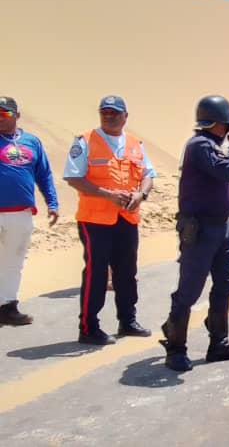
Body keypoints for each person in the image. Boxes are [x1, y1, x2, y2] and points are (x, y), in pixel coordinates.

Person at [160, 95, 229, 372]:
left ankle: (218, 343)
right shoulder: (200, 145)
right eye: (228, 125)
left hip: (221, 227)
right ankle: (175, 347)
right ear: (220, 123)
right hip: (199, 228)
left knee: (226, 283)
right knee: (189, 290)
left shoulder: (212, 145)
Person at [64, 96, 156, 345]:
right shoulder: (85, 141)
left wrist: (141, 194)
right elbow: (73, 177)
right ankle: (88, 327)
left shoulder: (136, 143)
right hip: (95, 219)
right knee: (96, 273)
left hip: (127, 217)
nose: (109, 116)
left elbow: (148, 174)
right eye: (104, 112)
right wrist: (108, 195)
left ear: (125, 116)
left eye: (115, 113)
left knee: (127, 271)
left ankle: (127, 321)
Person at [0, 96, 59, 326]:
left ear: (16, 115)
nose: (0, 119)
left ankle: (7, 307)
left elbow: (44, 174)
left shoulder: (32, 142)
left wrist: (52, 203)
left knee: (14, 260)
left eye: (5, 114)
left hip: (21, 213)